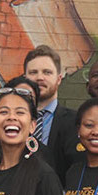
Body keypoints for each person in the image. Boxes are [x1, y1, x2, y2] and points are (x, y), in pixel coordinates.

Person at [23, 44, 78, 173]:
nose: (40, 77)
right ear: (25, 78)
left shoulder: (75, 122)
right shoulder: (13, 120)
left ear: (59, 79)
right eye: (33, 72)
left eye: (47, 72)